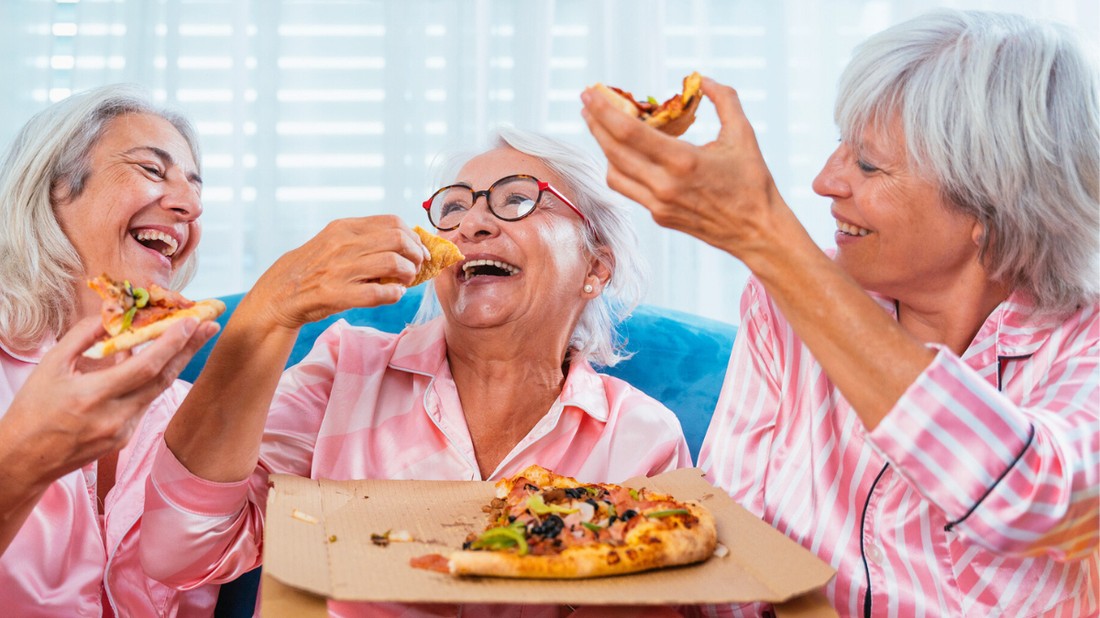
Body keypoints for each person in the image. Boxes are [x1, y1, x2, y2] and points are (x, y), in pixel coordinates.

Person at [581, 9, 1098, 618]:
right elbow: (729, 549)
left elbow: (1038, 504)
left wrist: (763, 234)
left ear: (993, 200)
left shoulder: (1082, 343)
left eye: (869, 165)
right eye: (838, 146)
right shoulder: (780, 306)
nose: (826, 182)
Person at [140, 126, 691, 616]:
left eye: (517, 199)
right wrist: (270, 312)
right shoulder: (344, 370)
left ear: (596, 264)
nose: (470, 224)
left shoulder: (642, 435)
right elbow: (182, 550)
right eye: (452, 208)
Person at [0, 84, 221, 615]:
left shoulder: (183, 411)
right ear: (53, 188)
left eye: (194, 186)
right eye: (151, 169)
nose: (189, 205)